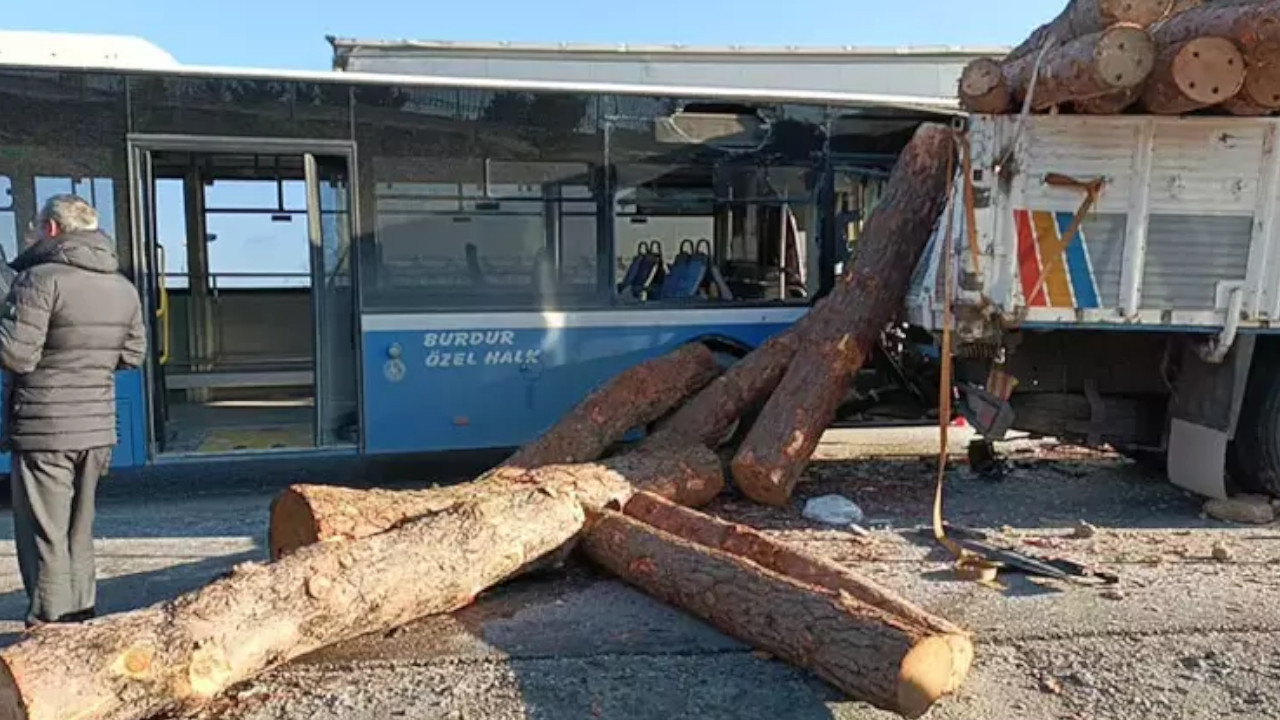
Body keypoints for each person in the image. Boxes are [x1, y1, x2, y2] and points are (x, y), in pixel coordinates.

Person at [0, 194, 146, 627]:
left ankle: (50, 632)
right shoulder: (123, 286)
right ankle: (81, 624)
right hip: (97, 428)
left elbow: (17, 356)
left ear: (51, 229)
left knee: (45, 536)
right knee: (78, 534)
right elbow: (133, 355)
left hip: (45, 428)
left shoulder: (40, 280)